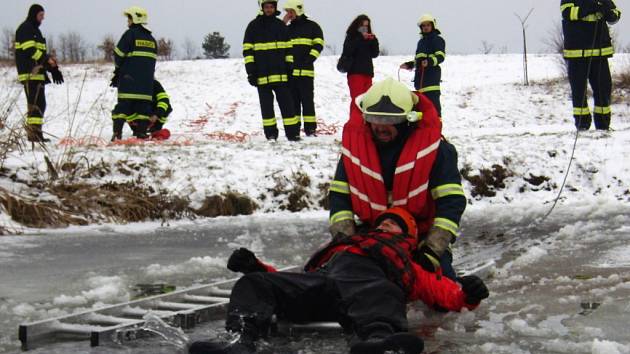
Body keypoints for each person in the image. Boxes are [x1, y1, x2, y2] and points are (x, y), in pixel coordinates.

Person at [189, 207, 489, 354]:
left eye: (395, 223)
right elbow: (296, 280)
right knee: (254, 284)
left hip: (367, 291)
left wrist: (469, 295)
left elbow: (443, 292)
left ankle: (378, 343)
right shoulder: (344, 245)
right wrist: (256, 267)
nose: (386, 223)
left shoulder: (408, 261)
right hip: (321, 285)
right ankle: (241, 339)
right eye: (384, 220)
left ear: (407, 236)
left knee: (384, 290)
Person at [328, 78, 466, 281]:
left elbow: (450, 203)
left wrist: (432, 250)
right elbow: (340, 198)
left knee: (439, 285)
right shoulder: (355, 152)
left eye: (389, 121)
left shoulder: (438, 151)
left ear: (408, 119)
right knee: (339, 280)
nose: (381, 127)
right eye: (375, 119)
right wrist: (345, 243)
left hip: (421, 238)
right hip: (372, 233)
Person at [243, 0, 300, 141]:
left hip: (281, 76)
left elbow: (288, 49)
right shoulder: (253, 27)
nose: (269, 9)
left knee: (288, 106)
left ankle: (292, 134)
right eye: (267, 7)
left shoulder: (280, 26)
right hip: (262, 77)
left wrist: (290, 69)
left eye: (271, 7)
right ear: (262, 8)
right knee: (267, 109)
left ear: (275, 8)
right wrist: (251, 72)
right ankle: (271, 135)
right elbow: (248, 52)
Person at [561, 0, 621, 131]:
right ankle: (582, 125)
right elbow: (568, 13)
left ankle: (603, 125)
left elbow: (615, 14)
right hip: (577, 53)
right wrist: (590, 7)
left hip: (599, 52)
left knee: (603, 88)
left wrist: (607, 11)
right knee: (579, 91)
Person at [15, 4, 64, 143]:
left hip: (38, 73)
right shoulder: (25, 29)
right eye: (40, 16)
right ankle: (33, 135)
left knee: (40, 104)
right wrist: (46, 60)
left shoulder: (35, 31)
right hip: (30, 74)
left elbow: (41, 53)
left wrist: (53, 68)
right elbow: (30, 51)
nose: (42, 19)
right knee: (35, 104)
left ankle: (36, 134)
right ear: (34, 14)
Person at [110, 6, 157, 141]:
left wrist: (119, 69)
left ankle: (117, 133)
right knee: (143, 110)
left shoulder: (129, 34)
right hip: (146, 85)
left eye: (129, 18)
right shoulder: (152, 39)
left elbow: (118, 54)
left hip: (128, 82)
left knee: (121, 109)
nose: (127, 22)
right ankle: (141, 133)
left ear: (135, 19)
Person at [283, 0, 324, 137]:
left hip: (306, 73)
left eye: (290, 11)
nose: (289, 14)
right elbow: (276, 38)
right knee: (293, 102)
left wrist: (309, 59)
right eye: (287, 12)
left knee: (307, 101)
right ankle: (294, 130)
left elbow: (318, 45)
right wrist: (283, 23)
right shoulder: (287, 29)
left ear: (298, 10)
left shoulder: (313, 27)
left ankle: (310, 129)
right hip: (291, 73)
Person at [400, 14, 445, 117]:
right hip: (420, 82)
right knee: (422, 111)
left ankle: (437, 131)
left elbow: (440, 57)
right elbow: (419, 61)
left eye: (428, 25)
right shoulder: (421, 42)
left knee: (434, 109)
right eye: (423, 26)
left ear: (433, 26)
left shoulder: (438, 40)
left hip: (431, 81)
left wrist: (429, 61)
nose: (425, 27)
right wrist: (409, 65)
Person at [339, 14, 380, 124]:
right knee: (357, 100)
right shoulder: (351, 37)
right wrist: (360, 38)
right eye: (362, 25)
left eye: (366, 26)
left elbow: (375, 54)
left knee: (367, 100)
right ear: (357, 25)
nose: (364, 28)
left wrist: (374, 40)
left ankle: (365, 124)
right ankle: (355, 123)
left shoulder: (369, 38)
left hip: (367, 73)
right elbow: (348, 51)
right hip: (355, 73)